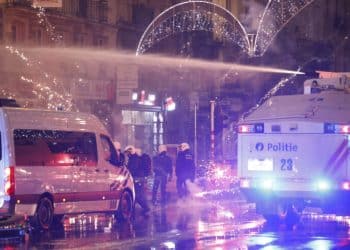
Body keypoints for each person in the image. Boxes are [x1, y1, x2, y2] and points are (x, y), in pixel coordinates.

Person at [124, 145, 150, 214]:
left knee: (138, 195)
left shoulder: (134, 159)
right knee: (136, 194)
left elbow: (133, 170)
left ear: (131, 152)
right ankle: (133, 208)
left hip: (137, 179)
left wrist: (127, 170)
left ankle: (146, 207)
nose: (126, 154)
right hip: (137, 179)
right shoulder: (133, 158)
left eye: (127, 153)